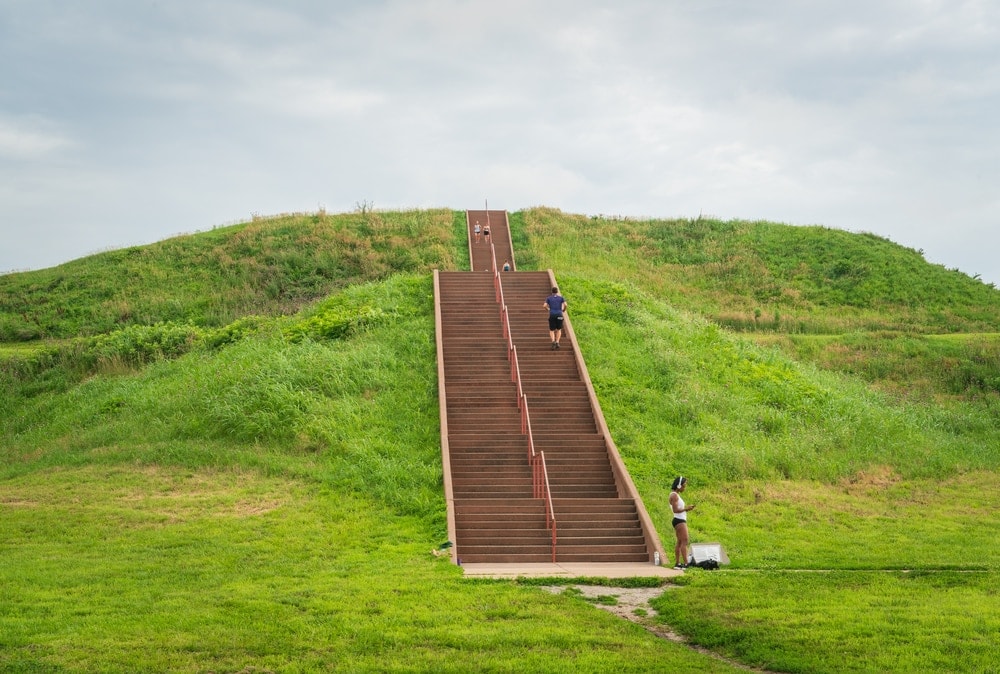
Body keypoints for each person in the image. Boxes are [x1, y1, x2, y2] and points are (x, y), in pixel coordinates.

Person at [669, 476, 695, 569]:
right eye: (684, 486)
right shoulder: (674, 495)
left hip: (679, 519)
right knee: (685, 541)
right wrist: (686, 508)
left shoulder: (675, 495)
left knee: (680, 542)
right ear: (679, 485)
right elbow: (675, 510)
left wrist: (686, 509)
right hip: (679, 520)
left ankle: (677, 563)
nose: (684, 488)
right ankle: (686, 563)